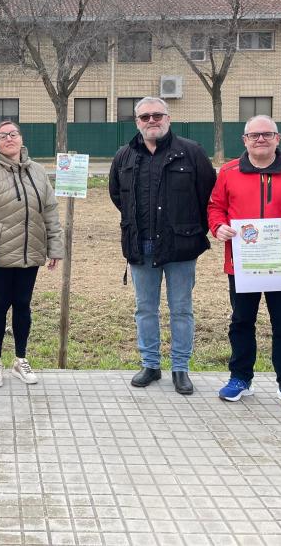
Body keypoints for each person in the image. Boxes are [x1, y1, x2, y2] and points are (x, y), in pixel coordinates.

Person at [109, 97, 216, 395]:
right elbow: (117, 196)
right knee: (145, 309)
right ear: (137, 122)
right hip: (140, 246)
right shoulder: (125, 156)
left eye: (157, 115)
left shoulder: (191, 152)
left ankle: (180, 368)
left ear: (168, 118)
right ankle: (150, 364)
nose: (151, 121)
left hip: (181, 247)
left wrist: (189, 230)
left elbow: (207, 195)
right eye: (145, 117)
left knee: (181, 309)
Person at [207, 115, 281, 410]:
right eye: (254, 135)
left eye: (267, 134)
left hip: (280, 264)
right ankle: (240, 378)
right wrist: (218, 227)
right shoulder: (228, 172)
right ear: (245, 140)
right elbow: (216, 207)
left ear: (278, 138)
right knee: (241, 321)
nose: (260, 139)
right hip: (242, 264)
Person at [0, 120, 63, 388]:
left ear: (21, 138)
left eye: (13, 134)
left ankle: (20, 360)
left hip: (30, 252)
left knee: (23, 305)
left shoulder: (38, 171)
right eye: (2, 136)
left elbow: (50, 211)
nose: (9, 139)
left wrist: (55, 246)